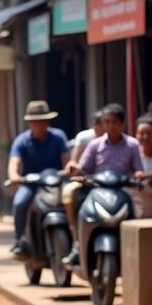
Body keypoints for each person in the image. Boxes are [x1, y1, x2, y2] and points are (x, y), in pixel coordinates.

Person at [62, 104, 144, 266]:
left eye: (114, 122)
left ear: (122, 123)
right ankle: (77, 242)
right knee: (73, 196)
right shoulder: (95, 144)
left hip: (123, 190)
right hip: (96, 189)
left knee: (136, 213)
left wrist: (139, 175)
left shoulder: (132, 145)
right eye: (106, 122)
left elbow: (138, 170)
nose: (110, 126)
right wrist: (76, 170)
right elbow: (83, 167)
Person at [7, 100, 70, 259]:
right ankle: (19, 241)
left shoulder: (58, 137)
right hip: (31, 185)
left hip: (55, 184)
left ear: (48, 121)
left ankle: (75, 240)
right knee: (20, 202)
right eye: (35, 122)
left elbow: (66, 161)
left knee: (72, 200)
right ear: (29, 123)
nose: (39, 125)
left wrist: (69, 170)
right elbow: (14, 162)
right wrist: (14, 176)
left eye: (42, 121)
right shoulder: (21, 141)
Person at [60, 109, 106, 258]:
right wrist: (74, 168)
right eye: (97, 125)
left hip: (108, 182)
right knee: (69, 193)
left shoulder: (116, 140)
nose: (101, 128)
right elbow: (75, 162)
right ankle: (76, 237)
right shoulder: (86, 139)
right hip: (85, 180)